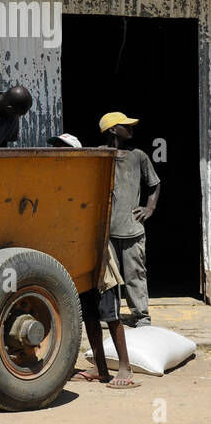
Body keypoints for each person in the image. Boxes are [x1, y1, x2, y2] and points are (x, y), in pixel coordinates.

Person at [51, 132, 140, 388]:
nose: (57, 152)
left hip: (99, 254)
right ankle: (101, 369)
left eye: (62, 149)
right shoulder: (58, 183)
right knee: (90, 314)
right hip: (77, 257)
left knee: (110, 313)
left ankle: (125, 369)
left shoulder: (89, 181)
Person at [100, 111, 160, 328]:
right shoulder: (98, 155)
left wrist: (149, 208)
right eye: (126, 125)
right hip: (106, 231)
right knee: (109, 278)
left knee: (135, 274)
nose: (131, 128)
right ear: (113, 130)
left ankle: (141, 316)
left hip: (133, 230)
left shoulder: (139, 156)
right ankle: (111, 316)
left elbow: (154, 184)